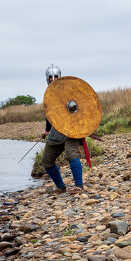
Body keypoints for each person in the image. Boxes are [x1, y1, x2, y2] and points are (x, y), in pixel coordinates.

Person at [41, 64, 84, 192]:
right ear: (47, 79)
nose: (53, 79)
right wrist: (47, 130)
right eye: (50, 77)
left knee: (72, 154)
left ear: (59, 76)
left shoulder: (68, 90)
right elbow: (50, 115)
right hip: (57, 130)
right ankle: (61, 187)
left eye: (55, 76)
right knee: (47, 160)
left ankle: (79, 186)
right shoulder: (49, 95)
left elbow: (79, 107)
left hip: (71, 127)